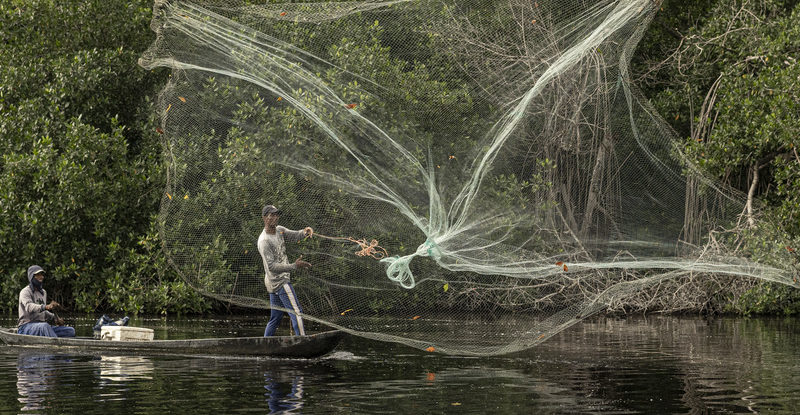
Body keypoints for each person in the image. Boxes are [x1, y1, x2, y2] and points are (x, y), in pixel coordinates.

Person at [258, 204, 313, 337]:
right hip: (279, 281)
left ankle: (266, 345)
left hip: (272, 283)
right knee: (297, 312)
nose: (275, 218)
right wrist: (294, 266)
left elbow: (294, 236)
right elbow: (272, 267)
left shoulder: (279, 230)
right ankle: (302, 342)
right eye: (272, 215)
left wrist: (305, 232)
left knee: (275, 318)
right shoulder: (264, 241)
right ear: (265, 218)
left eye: (276, 215)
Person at [18, 265, 75, 337]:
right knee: (45, 326)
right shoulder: (25, 292)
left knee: (70, 331)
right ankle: (57, 345)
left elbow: (43, 312)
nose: (41, 277)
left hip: (41, 327)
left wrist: (55, 318)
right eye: (38, 275)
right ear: (31, 276)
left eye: (41, 274)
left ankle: (56, 340)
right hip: (26, 327)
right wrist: (46, 306)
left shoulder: (43, 292)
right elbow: (29, 307)